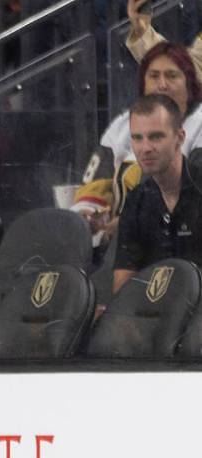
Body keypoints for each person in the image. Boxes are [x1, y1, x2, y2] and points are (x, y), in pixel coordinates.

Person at [73, 40, 202, 245]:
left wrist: (131, 222)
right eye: (153, 76)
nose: (162, 84)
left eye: (171, 75)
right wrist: (87, 214)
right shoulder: (123, 125)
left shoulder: (199, 123)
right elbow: (97, 185)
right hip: (118, 247)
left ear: (190, 84)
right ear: (143, 83)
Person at [112, 94, 202, 294]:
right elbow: (123, 293)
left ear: (180, 138)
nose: (145, 148)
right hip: (155, 316)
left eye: (156, 137)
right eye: (137, 138)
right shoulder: (136, 201)